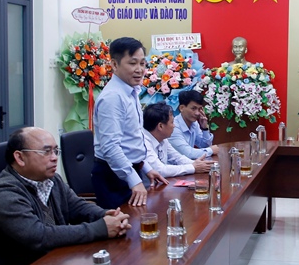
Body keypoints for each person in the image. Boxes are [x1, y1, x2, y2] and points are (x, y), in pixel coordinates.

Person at [0, 128, 131, 265]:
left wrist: (107, 215)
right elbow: (39, 236)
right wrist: (101, 228)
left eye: (55, 151)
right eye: (46, 151)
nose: (54, 157)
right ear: (20, 158)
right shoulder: (4, 195)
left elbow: (77, 206)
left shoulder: (51, 180)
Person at [93, 37, 168, 209]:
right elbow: (110, 147)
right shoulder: (113, 97)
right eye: (133, 63)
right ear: (114, 64)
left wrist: (146, 167)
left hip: (129, 170)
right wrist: (133, 180)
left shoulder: (130, 92)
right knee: (125, 224)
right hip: (113, 176)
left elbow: (131, 141)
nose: (139, 70)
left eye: (142, 63)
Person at [143, 102, 215, 178]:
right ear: (160, 126)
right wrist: (193, 167)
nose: (174, 126)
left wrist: (197, 164)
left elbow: (177, 158)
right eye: (172, 122)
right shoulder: (144, 143)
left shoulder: (163, 139)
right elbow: (160, 170)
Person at [168, 90, 220, 160]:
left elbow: (204, 146)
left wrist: (204, 128)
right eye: (193, 108)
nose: (197, 113)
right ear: (181, 108)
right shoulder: (173, 127)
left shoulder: (194, 123)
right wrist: (211, 150)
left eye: (199, 109)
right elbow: (188, 154)